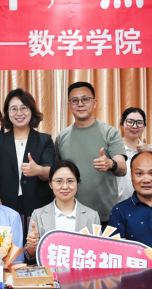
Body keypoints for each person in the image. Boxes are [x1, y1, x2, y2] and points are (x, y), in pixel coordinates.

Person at [54, 81, 127, 225]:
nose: (80, 104)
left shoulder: (110, 133)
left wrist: (110, 164)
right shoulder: (61, 137)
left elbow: (122, 168)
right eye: (75, 100)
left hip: (105, 216)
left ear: (94, 102)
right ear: (69, 105)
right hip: (70, 216)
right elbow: (56, 175)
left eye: (85, 99)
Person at [0, 89, 55, 218]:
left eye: (24, 108)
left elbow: (51, 173)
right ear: (7, 112)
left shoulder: (45, 140)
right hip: (6, 205)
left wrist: (38, 170)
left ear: (31, 110)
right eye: (14, 109)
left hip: (39, 206)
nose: (19, 113)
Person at [24, 160, 100, 262]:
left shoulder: (92, 216)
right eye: (59, 181)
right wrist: (32, 246)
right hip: (49, 271)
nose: (64, 187)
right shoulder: (38, 214)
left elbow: (99, 252)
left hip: (81, 271)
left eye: (70, 181)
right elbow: (30, 255)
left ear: (78, 183)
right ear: (50, 184)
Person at [117, 107, 152, 201]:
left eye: (139, 123)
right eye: (130, 122)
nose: (134, 126)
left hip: (145, 204)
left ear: (144, 126)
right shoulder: (114, 150)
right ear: (122, 124)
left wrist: (150, 153)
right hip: (118, 204)